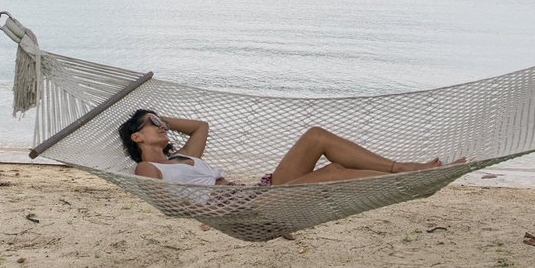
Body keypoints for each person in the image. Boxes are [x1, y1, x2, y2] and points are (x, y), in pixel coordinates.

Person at [118, 108, 454, 186]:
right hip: (242, 210)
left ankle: (401, 169)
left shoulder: (186, 157)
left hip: (253, 195)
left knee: (316, 136)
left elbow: (201, 126)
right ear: (137, 137)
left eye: (160, 121)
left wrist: (160, 116)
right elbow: (171, 203)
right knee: (334, 170)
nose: (161, 126)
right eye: (152, 123)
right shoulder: (148, 170)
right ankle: (407, 176)